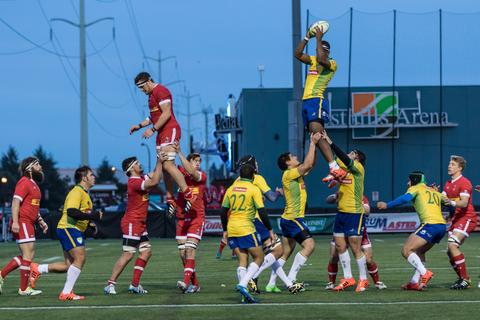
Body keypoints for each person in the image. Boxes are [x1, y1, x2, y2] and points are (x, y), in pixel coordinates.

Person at [232, 156, 303, 295]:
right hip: (255, 220)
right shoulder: (257, 178)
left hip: (239, 222)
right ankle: (251, 278)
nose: (257, 165)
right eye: (256, 163)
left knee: (267, 254)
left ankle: (289, 284)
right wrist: (279, 192)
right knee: (278, 251)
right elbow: (272, 197)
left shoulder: (236, 181)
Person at [30, 166, 103, 301]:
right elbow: (71, 211)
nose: (94, 177)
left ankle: (38, 268)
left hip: (71, 229)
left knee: (69, 266)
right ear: (84, 177)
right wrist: (93, 216)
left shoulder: (85, 194)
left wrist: (89, 223)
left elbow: (80, 213)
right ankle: (66, 293)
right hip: (69, 228)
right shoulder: (77, 191)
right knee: (80, 259)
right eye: (91, 175)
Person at [130, 72, 195, 216]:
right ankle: (170, 198)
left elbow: (166, 114)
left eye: (141, 87)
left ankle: (188, 193)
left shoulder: (161, 91)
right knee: (165, 168)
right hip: (161, 133)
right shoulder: (151, 96)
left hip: (169, 129)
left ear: (147, 82)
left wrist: (152, 130)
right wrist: (139, 126)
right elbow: (153, 117)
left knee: (167, 164)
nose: (141, 90)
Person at [267, 133, 320, 290]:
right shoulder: (290, 173)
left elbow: (312, 163)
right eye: (293, 156)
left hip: (288, 218)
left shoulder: (295, 173)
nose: (296, 157)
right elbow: (308, 164)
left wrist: (315, 145)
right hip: (293, 218)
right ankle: (291, 278)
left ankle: (271, 284)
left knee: (286, 253)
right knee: (309, 245)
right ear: (288, 162)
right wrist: (312, 143)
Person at [294, 24, 346, 183]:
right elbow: (297, 54)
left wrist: (318, 39)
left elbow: (322, 58)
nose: (319, 50)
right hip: (307, 101)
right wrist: (307, 37)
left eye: (323, 48)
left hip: (317, 99)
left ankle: (335, 167)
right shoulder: (313, 61)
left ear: (328, 51)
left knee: (317, 134)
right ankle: (333, 167)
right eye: (320, 47)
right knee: (315, 137)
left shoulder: (331, 63)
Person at [377, 171, 446, 290]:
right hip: (442, 227)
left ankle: (425, 273)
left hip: (430, 225)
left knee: (406, 250)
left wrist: (387, 205)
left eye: (409, 180)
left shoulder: (416, 188)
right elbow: (448, 203)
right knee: (420, 252)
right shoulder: (434, 191)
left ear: (414, 181)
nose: (407, 183)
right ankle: (414, 282)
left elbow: (405, 199)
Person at [103, 156, 163, 295]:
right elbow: (155, 181)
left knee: (146, 252)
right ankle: (110, 284)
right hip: (132, 222)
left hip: (140, 223)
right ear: (131, 169)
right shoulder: (134, 182)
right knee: (128, 254)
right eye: (137, 163)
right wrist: (160, 162)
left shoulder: (141, 178)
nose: (140, 164)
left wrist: (161, 159)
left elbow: (155, 173)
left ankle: (135, 285)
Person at [319, 131, 369, 293]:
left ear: (357, 158)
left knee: (355, 248)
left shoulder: (358, 169)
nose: (350, 153)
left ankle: (363, 279)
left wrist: (330, 141)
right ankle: (348, 278)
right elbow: (332, 159)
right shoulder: (344, 169)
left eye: (353, 153)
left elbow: (341, 156)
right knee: (340, 247)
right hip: (341, 213)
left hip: (354, 212)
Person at [221, 164, 274, 303]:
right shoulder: (254, 189)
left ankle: (244, 296)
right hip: (246, 228)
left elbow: (223, 211)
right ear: (253, 176)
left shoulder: (231, 189)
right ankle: (243, 284)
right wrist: (270, 229)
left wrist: (225, 230)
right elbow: (261, 211)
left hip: (232, 228)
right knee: (259, 257)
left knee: (242, 260)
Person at [0, 157, 47, 296]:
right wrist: (15, 222)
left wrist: (41, 221)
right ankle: (24, 289)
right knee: (28, 254)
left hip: (29, 222)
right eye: (37, 164)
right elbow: (15, 202)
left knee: (28, 255)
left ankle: (2, 275)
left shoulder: (33, 183)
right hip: (22, 222)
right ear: (29, 168)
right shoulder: (24, 182)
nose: (40, 166)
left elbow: (33, 205)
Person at [325, 194, 386, 290]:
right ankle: (331, 282)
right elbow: (328, 200)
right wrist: (335, 197)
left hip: (357, 228)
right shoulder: (341, 193)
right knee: (333, 256)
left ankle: (376, 282)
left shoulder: (360, 196)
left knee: (369, 259)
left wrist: (353, 204)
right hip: (342, 227)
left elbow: (367, 211)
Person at [174, 148, 207, 294]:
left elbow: (192, 172)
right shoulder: (181, 175)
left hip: (196, 218)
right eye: (195, 161)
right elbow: (170, 170)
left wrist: (179, 152)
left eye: (199, 161)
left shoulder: (201, 176)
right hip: (182, 220)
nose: (198, 163)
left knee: (190, 250)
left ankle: (185, 283)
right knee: (183, 255)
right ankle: (195, 284)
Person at [441, 155, 477, 289]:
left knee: (452, 245)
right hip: (456, 219)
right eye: (449, 164)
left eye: (452, 164)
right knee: (449, 251)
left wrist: (450, 202)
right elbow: (442, 199)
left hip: (467, 217)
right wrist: (434, 193)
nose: (449, 166)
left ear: (460, 168)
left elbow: (463, 203)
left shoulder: (464, 182)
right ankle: (463, 279)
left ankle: (465, 279)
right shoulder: (448, 183)